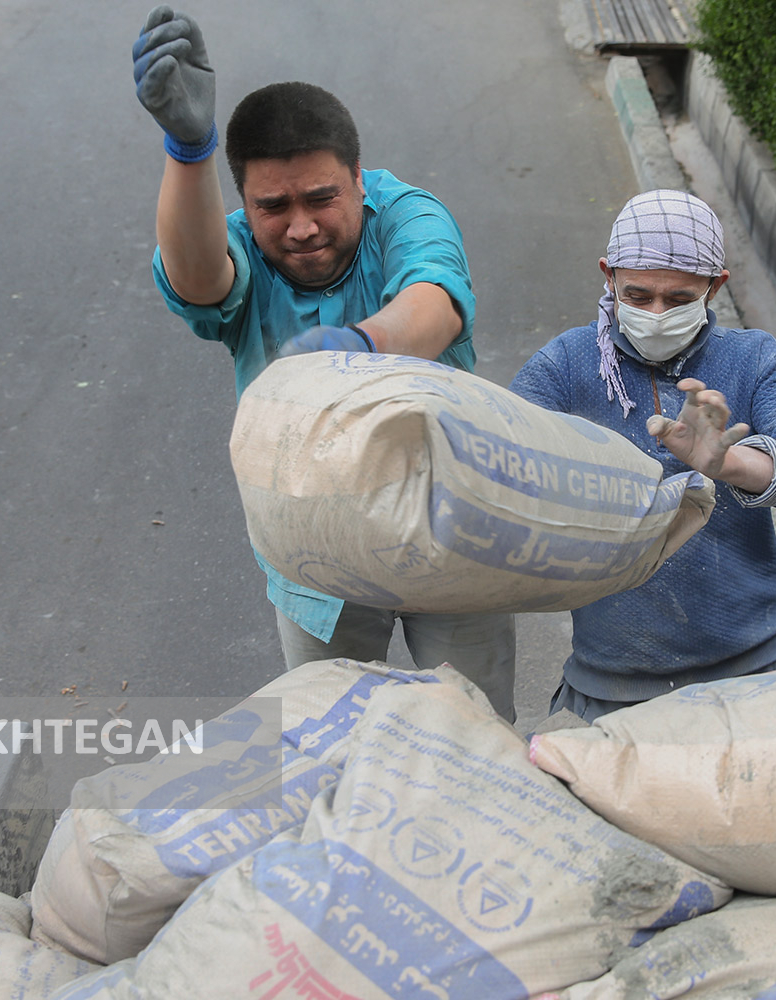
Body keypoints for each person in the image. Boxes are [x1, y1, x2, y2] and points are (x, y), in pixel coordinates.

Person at [131, 6, 515, 719]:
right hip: (317, 554)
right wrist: (188, 151)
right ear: (245, 205)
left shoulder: (407, 214)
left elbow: (435, 303)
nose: (302, 227)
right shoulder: (237, 244)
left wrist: (357, 350)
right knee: (328, 744)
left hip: (449, 529)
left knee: (478, 733)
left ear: (359, 180)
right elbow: (198, 279)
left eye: (321, 198)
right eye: (273, 206)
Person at [510, 189, 776, 722]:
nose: (657, 315)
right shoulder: (566, 366)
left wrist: (730, 465)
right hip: (609, 680)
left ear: (715, 286)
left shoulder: (756, 361)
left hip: (751, 676)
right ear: (609, 276)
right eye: (638, 297)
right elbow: (503, 460)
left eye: (680, 299)